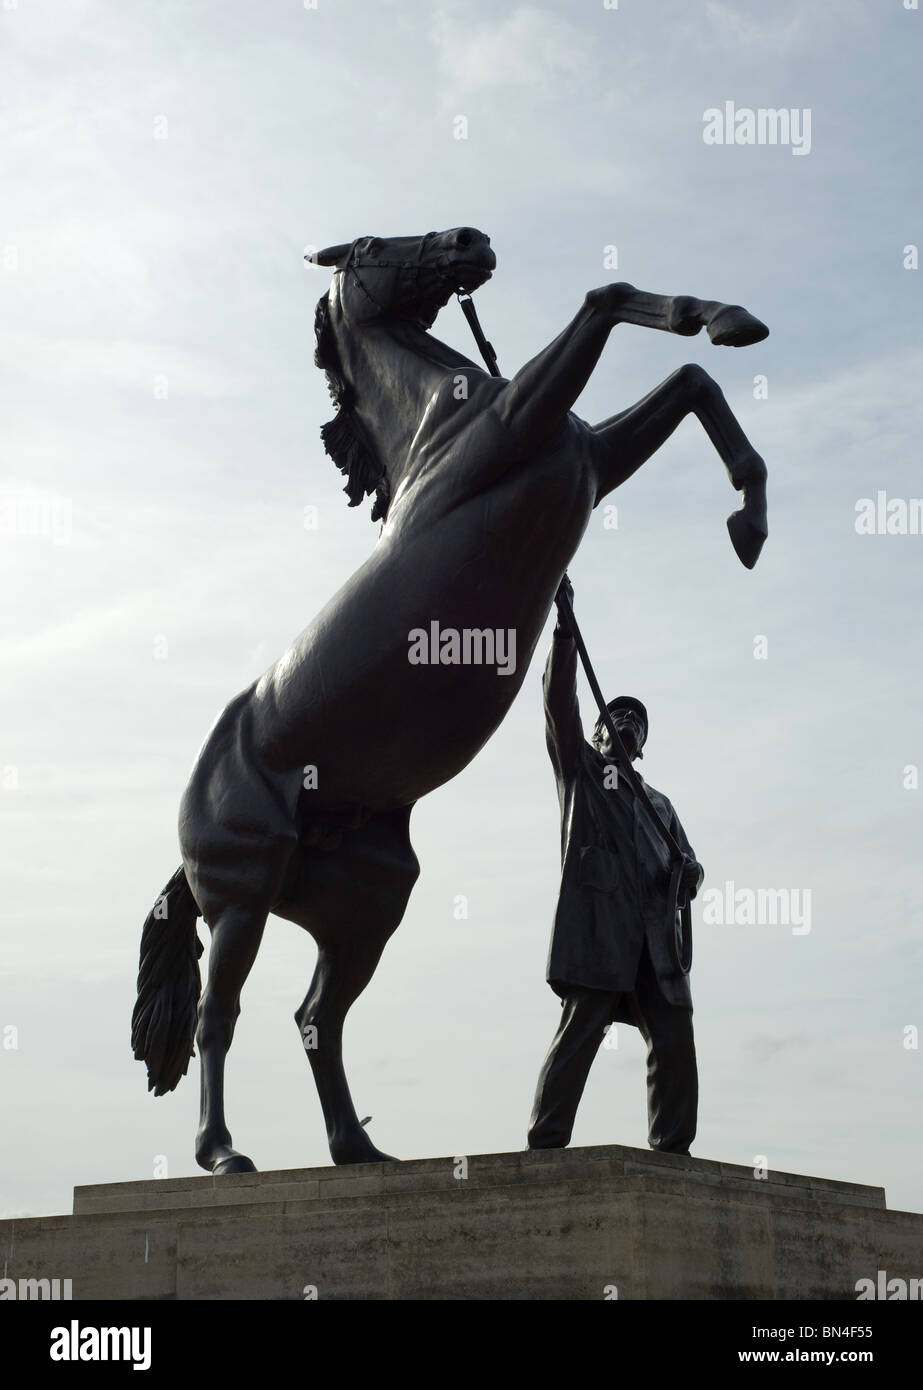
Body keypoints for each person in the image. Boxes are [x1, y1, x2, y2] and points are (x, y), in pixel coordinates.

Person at [527, 578, 704, 1155]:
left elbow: (687, 865)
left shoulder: (661, 806)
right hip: (602, 935)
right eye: (618, 717)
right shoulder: (581, 772)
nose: (628, 723)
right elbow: (558, 705)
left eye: (637, 722)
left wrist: (692, 876)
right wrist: (564, 632)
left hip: (658, 943)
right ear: (600, 731)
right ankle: (547, 1146)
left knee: (674, 1037)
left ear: (643, 743)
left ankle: (672, 1151)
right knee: (582, 1029)